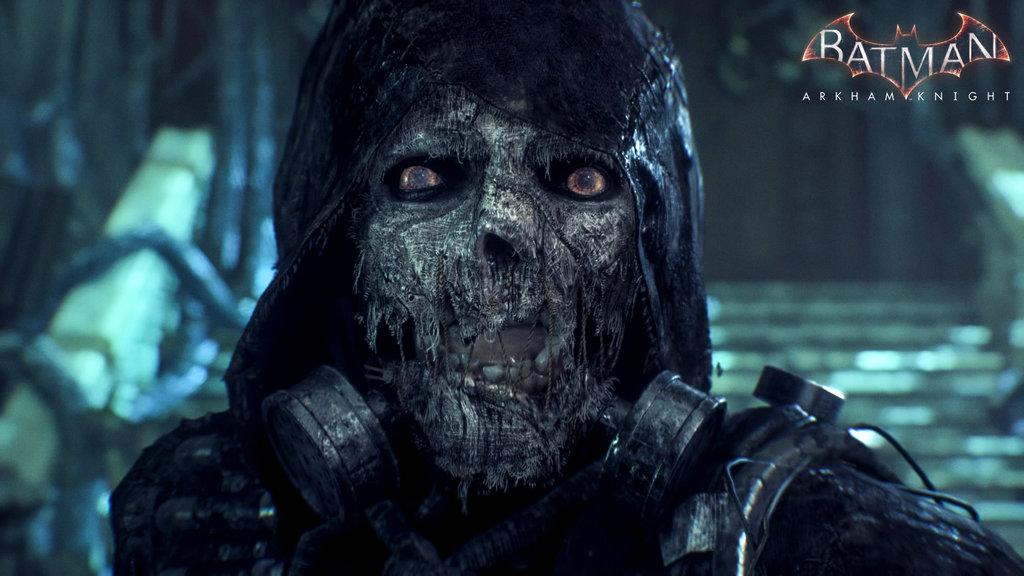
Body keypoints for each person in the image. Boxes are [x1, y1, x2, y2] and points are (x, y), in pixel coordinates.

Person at [111, 1, 1024, 574]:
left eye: (579, 178)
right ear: (338, 235)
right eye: (426, 177)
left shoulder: (828, 538)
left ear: (652, 240)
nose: (503, 228)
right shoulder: (204, 517)